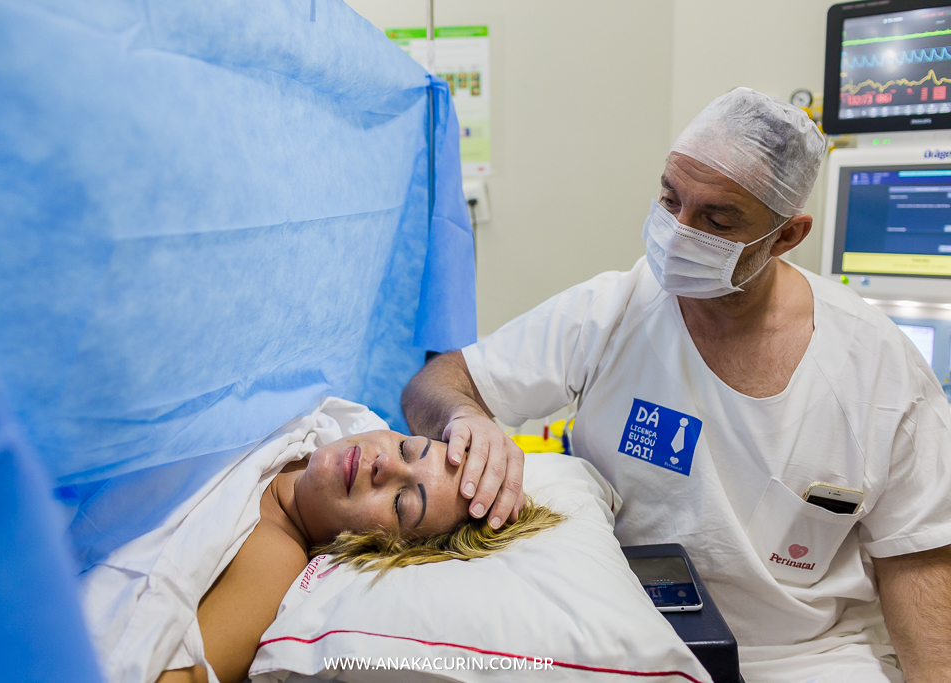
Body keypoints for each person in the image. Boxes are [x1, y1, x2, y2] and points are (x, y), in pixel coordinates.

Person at [402, 88, 951, 682]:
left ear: (786, 236)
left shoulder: (877, 367)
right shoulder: (612, 312)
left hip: (809, 657)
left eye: (717, 221)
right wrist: (465, 416)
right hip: (628, 635)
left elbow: (921, 562)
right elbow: (437, 382)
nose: (678, 232)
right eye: (670, 199)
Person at [156, 429, 562, 683]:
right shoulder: (317, 425)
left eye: (401, 503)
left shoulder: (270, 561)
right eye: (407, 448)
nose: (385, 463)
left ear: (377, 546)